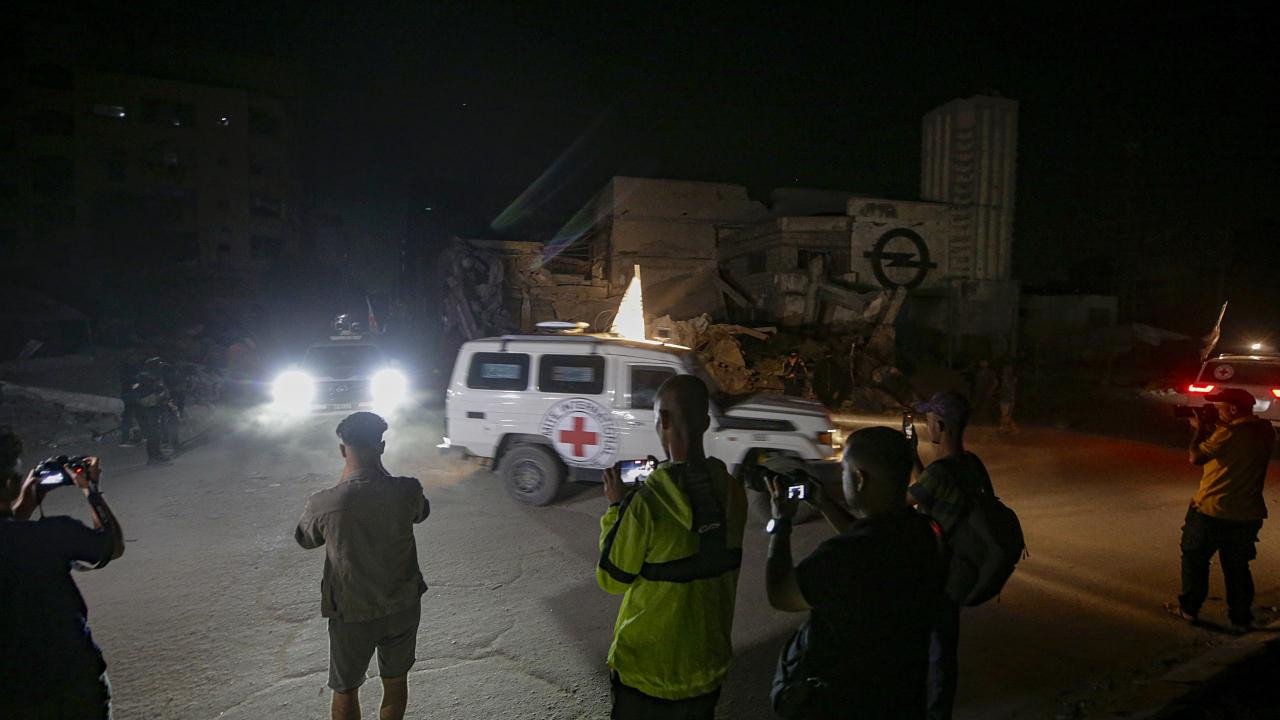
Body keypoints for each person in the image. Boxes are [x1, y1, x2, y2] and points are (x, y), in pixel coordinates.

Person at [764, 426, 945, 719]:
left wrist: (780, 523)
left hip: (846, 703)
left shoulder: (843, 556)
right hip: (903, 698)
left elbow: (781, 594)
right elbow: (872, 538)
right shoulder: (922, 533)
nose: (842, 477)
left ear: (860, 479)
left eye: (844, 470)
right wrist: (824, 502)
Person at [597, 375, 747, 719]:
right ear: (705, 422)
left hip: (646, 674)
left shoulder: (646, 505)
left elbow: (612, 579)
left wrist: (617, 509)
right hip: (706, 669)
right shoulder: (733, 494)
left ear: (663, 420)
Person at [295, 412, 431, 720]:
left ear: (343, 450)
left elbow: (305, 539)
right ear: (381, 447)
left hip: (352, 611)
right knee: (395, 681)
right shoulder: (407, 490)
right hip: (402, 605)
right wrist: (379, 472)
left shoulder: (324, 503)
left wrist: (345, 481)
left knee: (345, 689)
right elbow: (421, 513)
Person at [0, 427, 125, 718]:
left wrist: (23, 505)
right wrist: (91, 490)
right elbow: (112, 546)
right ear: (11, 483)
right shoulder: (51, 534)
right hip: (70, 682)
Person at [907, 391, 992, 720]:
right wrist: (915, 457)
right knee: (944, 649)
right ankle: (940, 709)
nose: (927, 425)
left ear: (940, 425)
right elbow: (931, 492)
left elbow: (903, 500)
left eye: (929, 420)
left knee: (929, 651)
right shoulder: (972, 464)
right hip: (961, 569)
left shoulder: (940, 472)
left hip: (937, 574)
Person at [1167, 388, 1275, 632]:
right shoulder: (1265, 431)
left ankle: (1189, 608)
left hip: (1212, 511)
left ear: (1233, 409)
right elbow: (1237, 441)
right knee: (1237, 568)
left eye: (1219, 408)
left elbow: (1196, 457)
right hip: (1248, 514)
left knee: (1195, 560)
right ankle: (1240, 619)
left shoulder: (1228, 433)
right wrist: (1214, 425)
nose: (1216, 412)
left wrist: (1198, 430)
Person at [998, 363, 1019, 435]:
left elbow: (1009, 388)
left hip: (1007, 398)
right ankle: (1007, 428)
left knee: (1005, 414)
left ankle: (1007, 428)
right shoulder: (1010, 379)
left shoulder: (1010, 379)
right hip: (1007, 398)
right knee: (1006, 414)